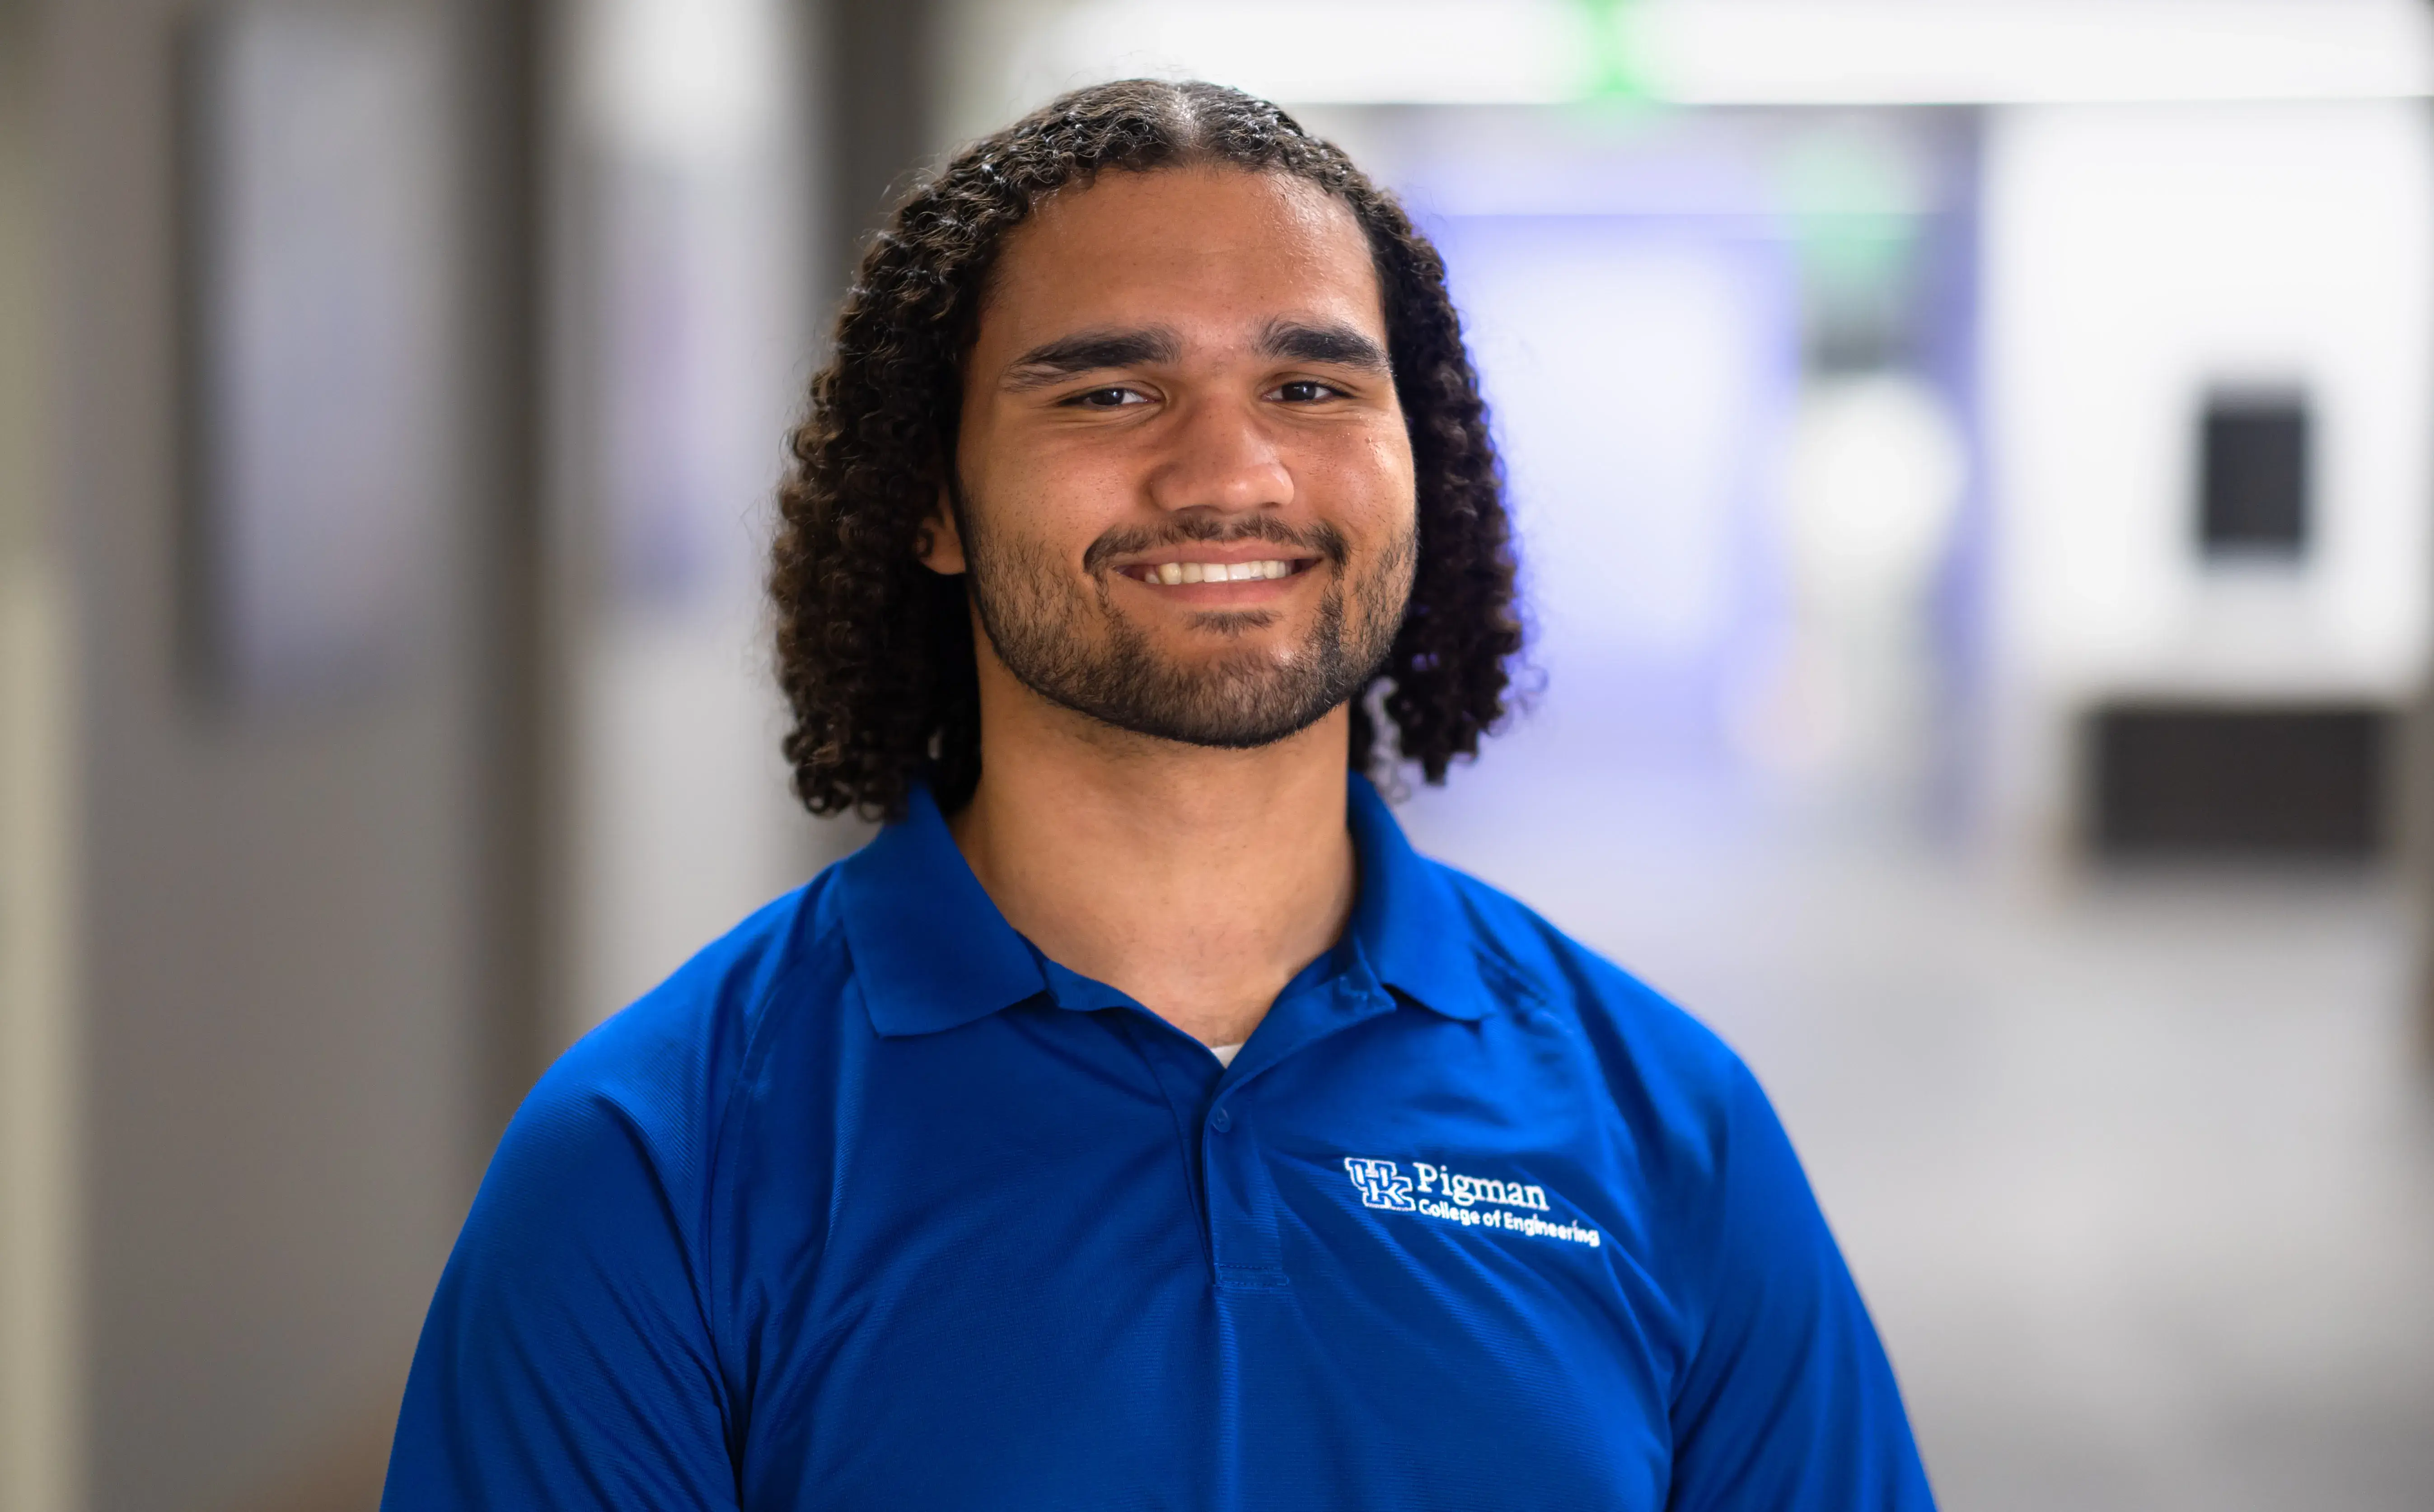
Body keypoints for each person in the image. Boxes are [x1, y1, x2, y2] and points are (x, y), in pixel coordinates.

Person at [381, 79, 1935, 1510]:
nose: (1228, 472)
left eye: (1312, 385)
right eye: (1109, 393)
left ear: (1418, 459)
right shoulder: (655, 1159)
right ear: (931, 496)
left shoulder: (1665, 1123)